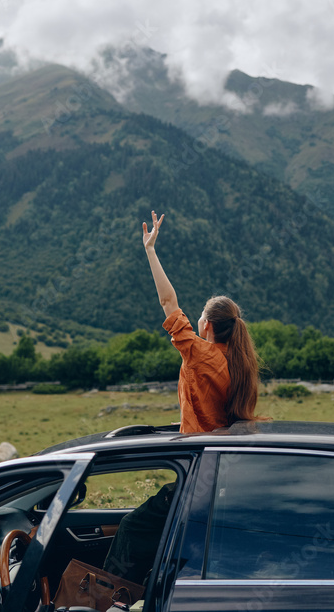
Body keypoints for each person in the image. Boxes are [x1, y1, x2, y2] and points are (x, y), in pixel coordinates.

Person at [101, 211, 262, 583]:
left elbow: (168, 301)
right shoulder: (241, 363)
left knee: (132, 528)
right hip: (220, 471)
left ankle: (107, 600)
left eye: (201, 315)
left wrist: (150, 251)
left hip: (198, 472)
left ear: (207, 324)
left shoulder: (200, 354)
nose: (197, 320)